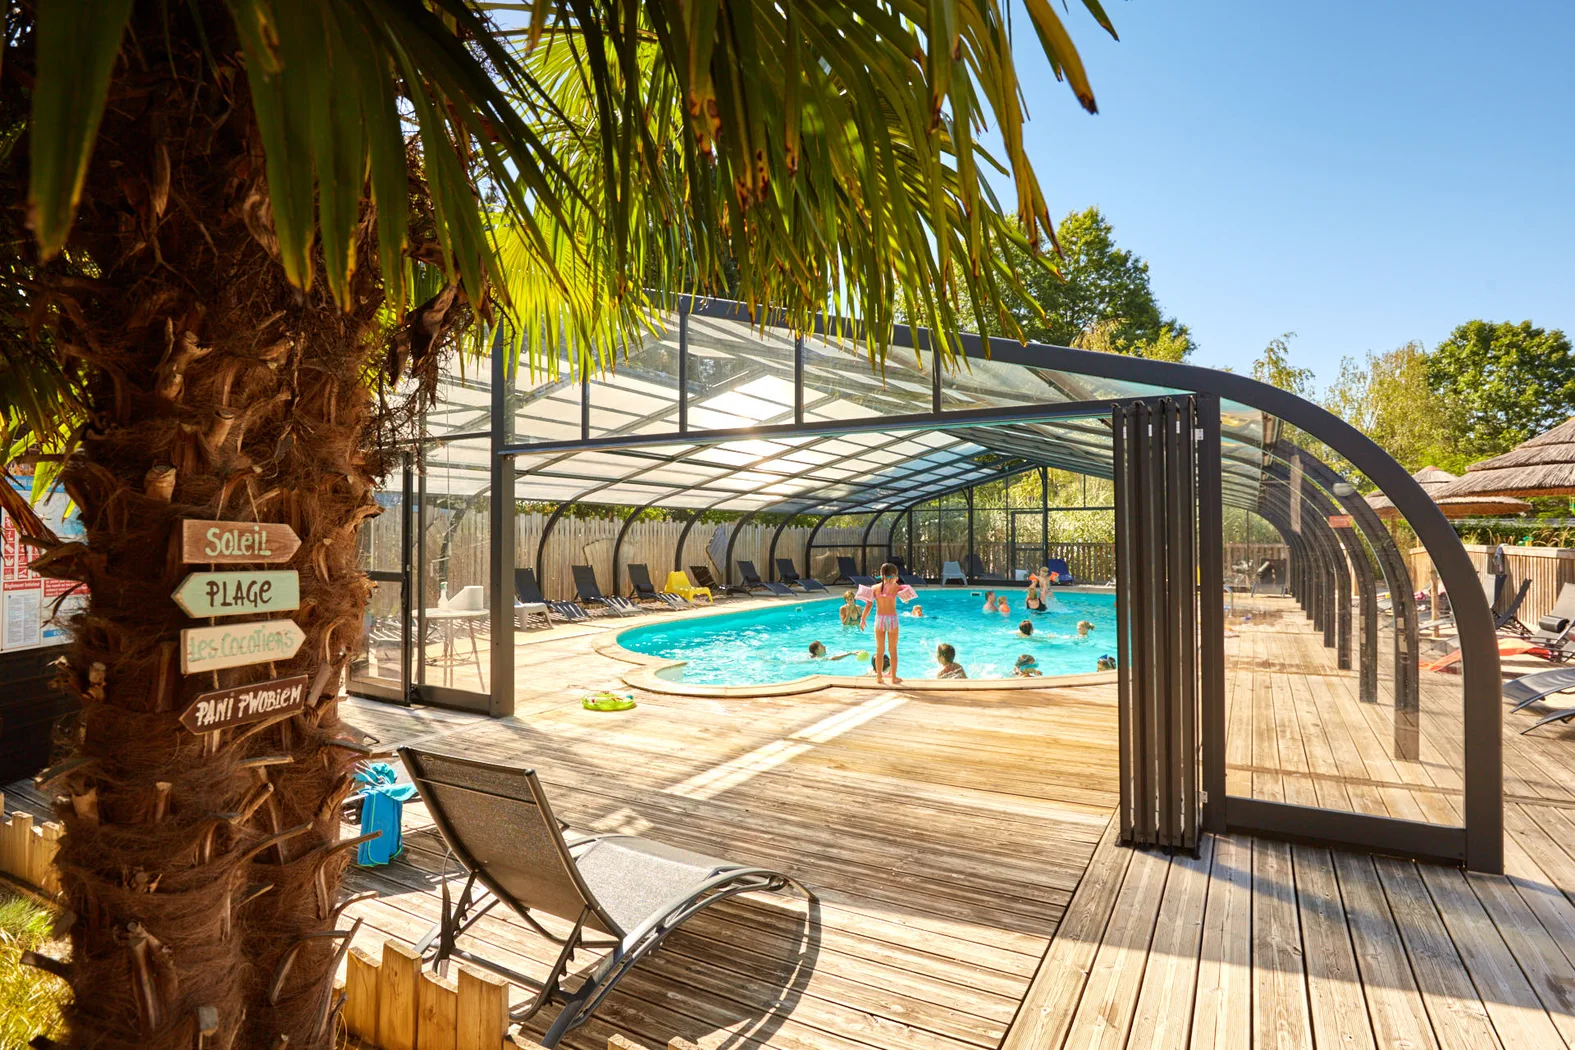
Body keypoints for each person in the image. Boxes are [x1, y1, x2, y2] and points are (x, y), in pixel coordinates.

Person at [858, 563, 915, 684]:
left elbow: (868, 605)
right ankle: (894, 677)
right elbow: (906, 600)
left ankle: (879, 677)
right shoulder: (896, 587)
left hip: (880, 620)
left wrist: (862, 619)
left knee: (879, 650)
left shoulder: (874, 588)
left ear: (881, 574)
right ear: (894, 575)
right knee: (893, 650)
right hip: (892, 620)